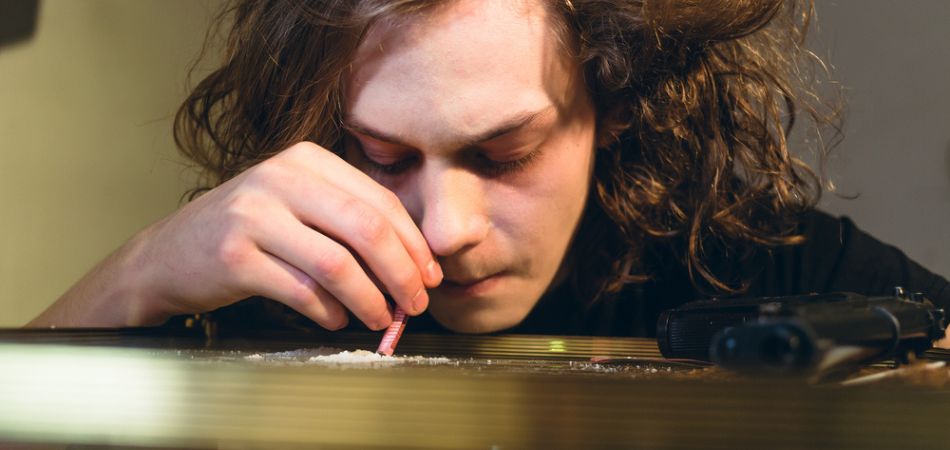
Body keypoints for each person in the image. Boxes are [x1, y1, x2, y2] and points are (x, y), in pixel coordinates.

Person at [27, 0, 949, 337]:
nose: (444, 229)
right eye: (383, 156)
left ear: (615, 99)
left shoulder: (761, 267)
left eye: (504, 155)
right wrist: (137, 273)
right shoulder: (267, 284)